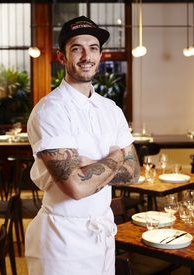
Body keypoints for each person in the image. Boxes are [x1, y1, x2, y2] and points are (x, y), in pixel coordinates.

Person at [25, 15, 140, 275]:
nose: (86, 56)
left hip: (102, 235)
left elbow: (134, 172)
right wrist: (117, 156)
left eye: (94, 48)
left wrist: (90, 166)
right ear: (61, 57)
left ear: (100, 55)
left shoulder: (110, 109)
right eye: (77, 48)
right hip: (62, 239)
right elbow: (75, 186)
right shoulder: (50, 110)